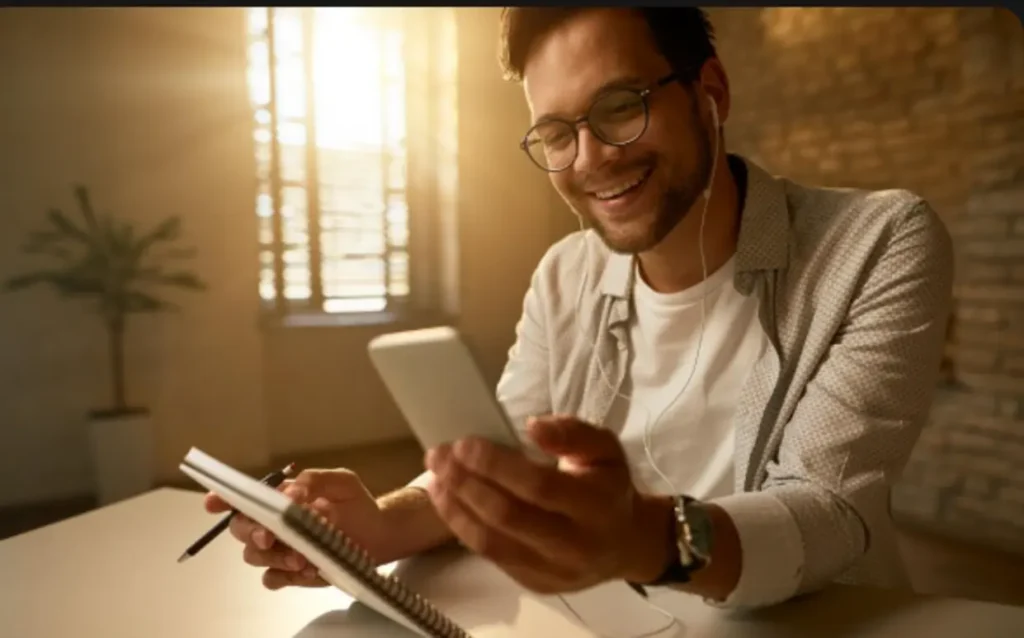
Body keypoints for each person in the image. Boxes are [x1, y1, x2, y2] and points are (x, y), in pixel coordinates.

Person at [205, 7, 953, 609]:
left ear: (711, 93)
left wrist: (648, 538)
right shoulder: (565, 274)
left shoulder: (878, 242)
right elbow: (507, 460)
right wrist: (382, 523)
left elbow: (827, 512)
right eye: (557, 134)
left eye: (620, 107)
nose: (591, 159)